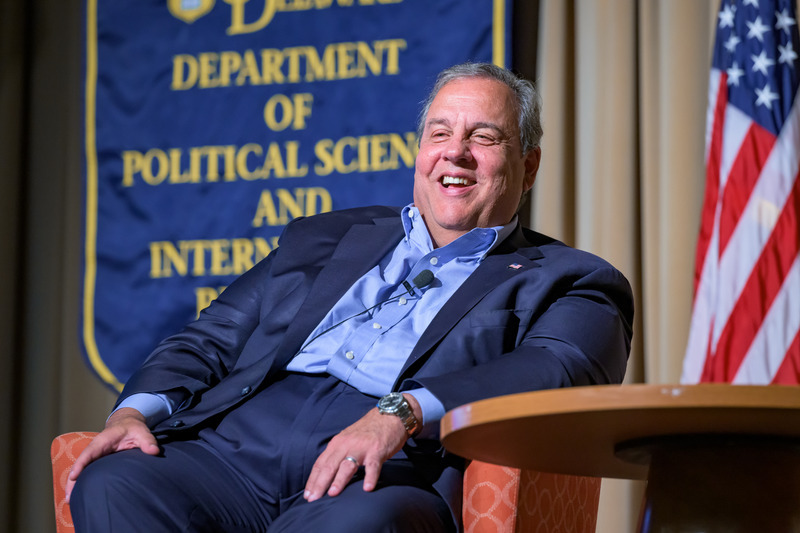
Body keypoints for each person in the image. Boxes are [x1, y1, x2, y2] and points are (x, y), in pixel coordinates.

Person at [67, 62, 634, 532]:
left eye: (483, 137)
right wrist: (133, 410)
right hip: (238, 449)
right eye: (439, 133)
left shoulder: (571, 279)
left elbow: (558, 371)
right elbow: (211, 338)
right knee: (115, 483)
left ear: (527, 166)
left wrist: (403, 411)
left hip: (389, 471)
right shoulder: (328, 236)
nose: (455, 153)